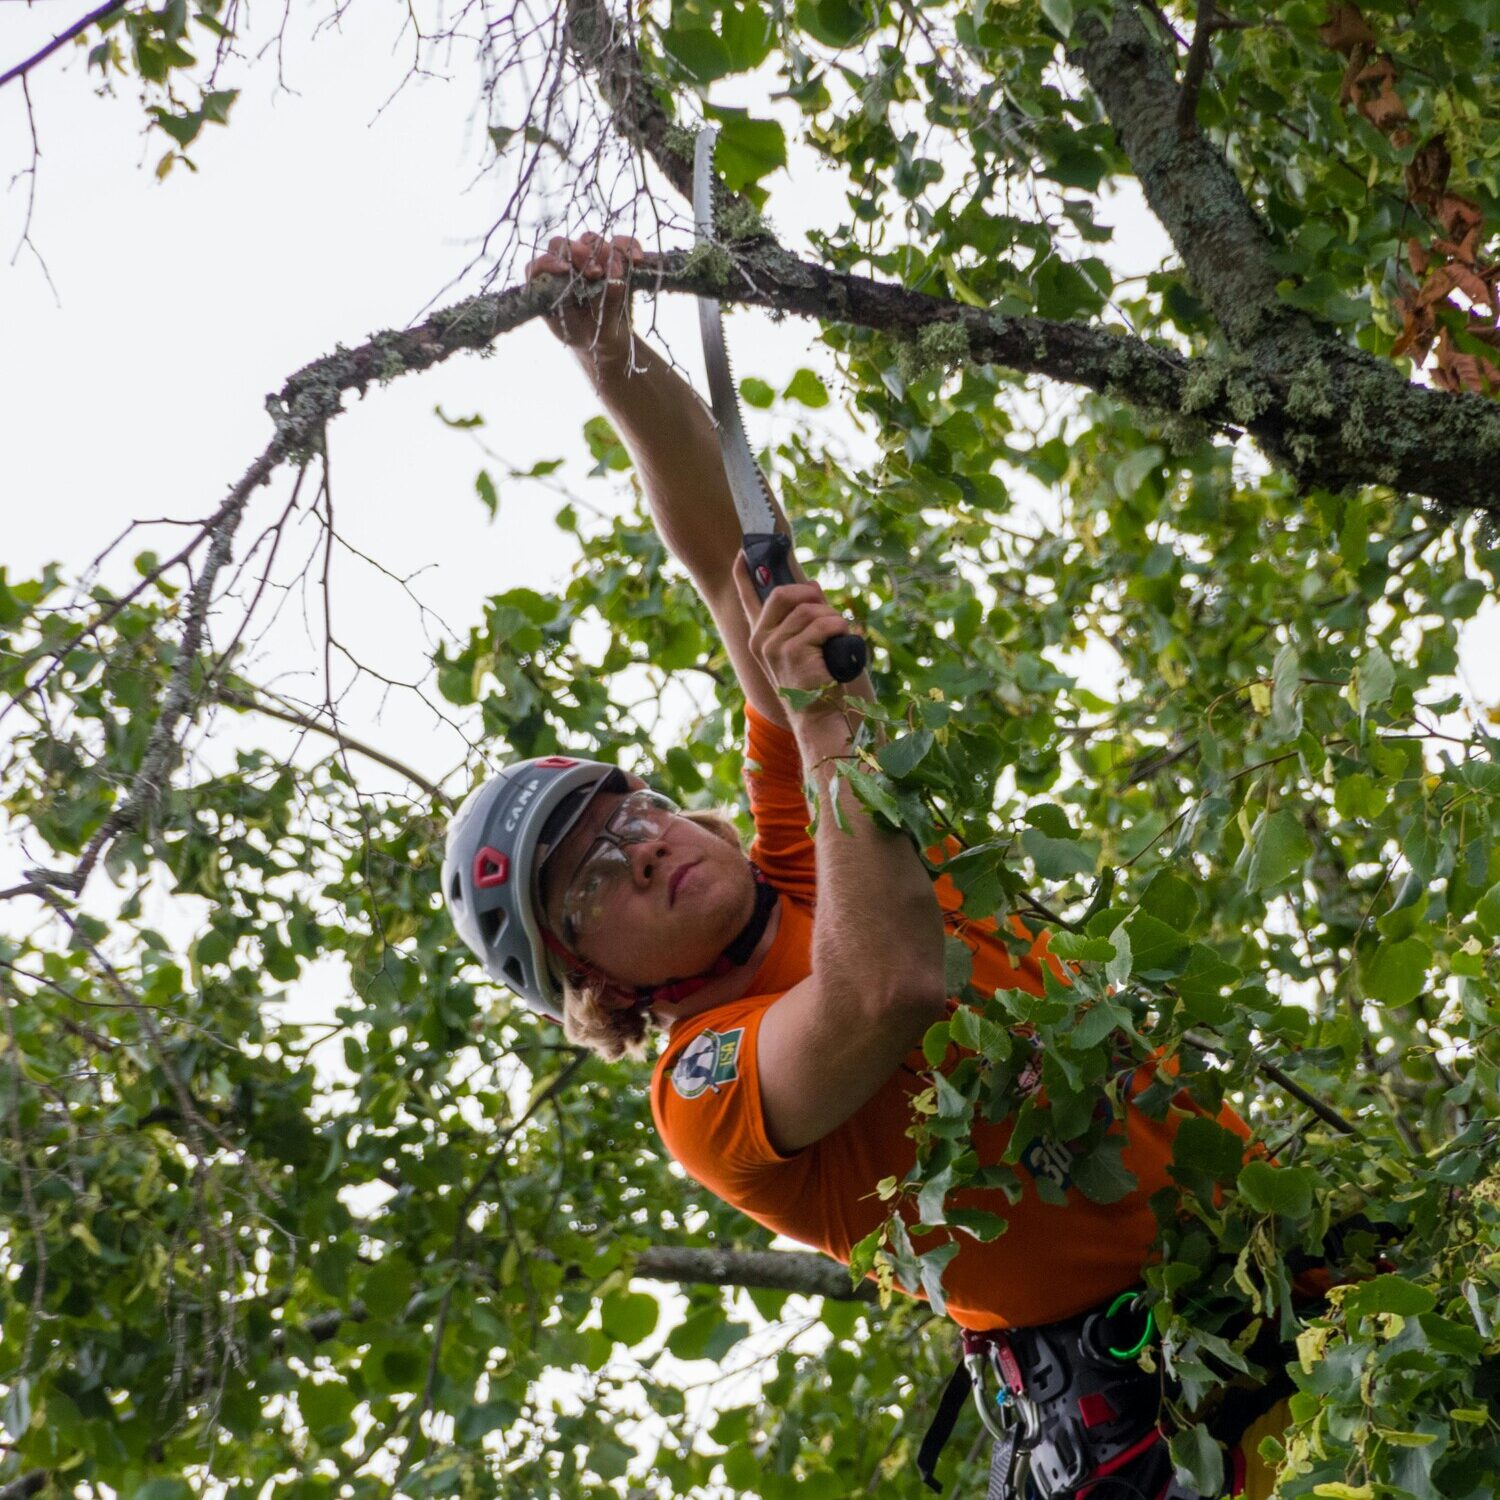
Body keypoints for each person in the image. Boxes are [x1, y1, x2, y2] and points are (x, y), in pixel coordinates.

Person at [443, 232, 1290, 1499]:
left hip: (1302, 1282)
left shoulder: (800, 856)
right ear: (595, 982)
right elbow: (884, 986)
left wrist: (612, 355)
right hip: (1161, 1435)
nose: (642, 849)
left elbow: (730, 572)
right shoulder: (700, 1085)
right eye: (591, 882)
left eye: (632, 815)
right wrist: (826, 722)